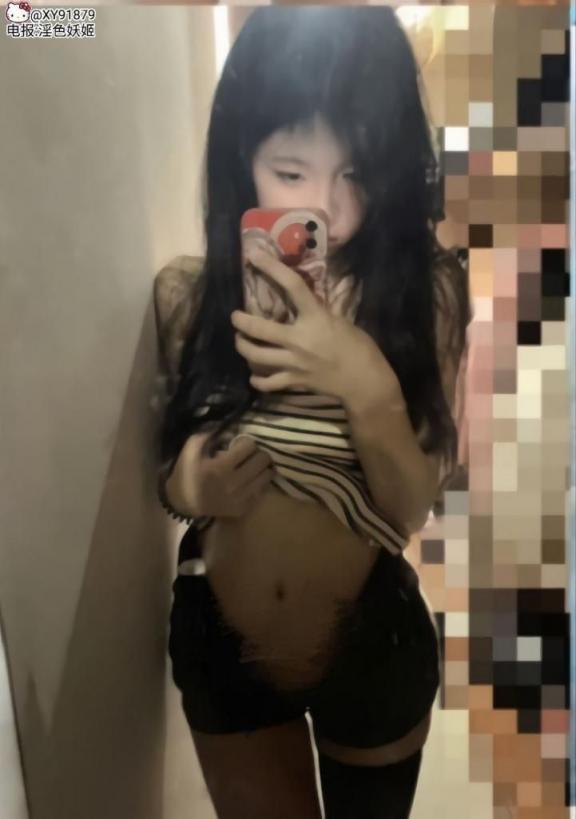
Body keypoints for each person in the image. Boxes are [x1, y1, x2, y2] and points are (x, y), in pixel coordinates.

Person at [156, 7, 471, 819]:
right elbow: (166, 471)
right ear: (243, 158)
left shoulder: (425, 292)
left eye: (358, 173)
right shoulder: (186, 296)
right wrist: (196, 483)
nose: (328, 209)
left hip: (371, 639)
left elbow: (407, 506)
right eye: (291, 173)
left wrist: (363, 383)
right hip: (224, 645)